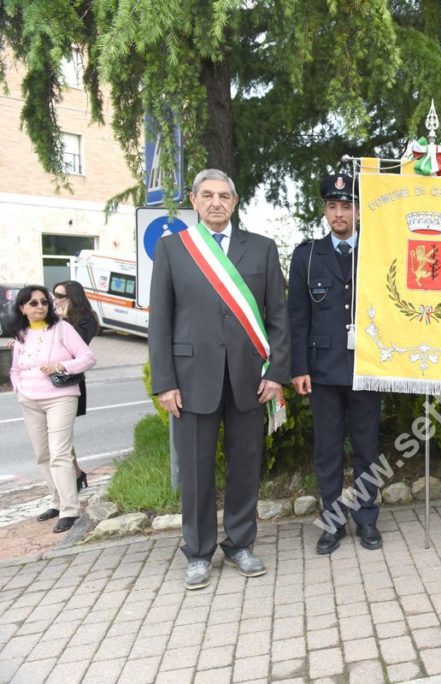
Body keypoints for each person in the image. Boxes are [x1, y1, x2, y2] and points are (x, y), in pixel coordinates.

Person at [149, 169, 291, 590]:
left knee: (246, 467)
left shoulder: (262, 249)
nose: (216, 202)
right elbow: (160, 321)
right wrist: (165, 382)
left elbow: (279, 318)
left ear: (235, 201)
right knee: (195, 471)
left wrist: (278, 373)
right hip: (192, 381)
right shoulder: (173, 249)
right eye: (207, 195)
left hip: (250, 379)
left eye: (224, 195)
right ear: (193, 201)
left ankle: (241, 545)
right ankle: (197, 552)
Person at [288, 173, 383, 553]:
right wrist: (298, 368)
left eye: (347, 206)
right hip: (323, 369)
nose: (339, 213)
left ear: (358, 211)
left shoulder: (377, 250)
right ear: (325, 210)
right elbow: (297, 316)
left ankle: (366, 519)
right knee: (327, 450)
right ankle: (332, 523)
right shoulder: (307, 255)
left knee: (366, 448)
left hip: (367, 367)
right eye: (333, 206)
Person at [9, 286, 96, 533]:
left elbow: (88, 357)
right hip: (29, 399)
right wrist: (19, 388)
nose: (40, 307)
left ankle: (70, 509)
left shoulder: (62, 329)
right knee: (43, 454)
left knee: (60, 453)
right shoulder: (20, 335)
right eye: (33, 303)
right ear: (22, 308)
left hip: (60, 397)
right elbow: (15, 369)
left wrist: (61, 365)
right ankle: (57, 502)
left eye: (44, 302)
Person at [53, 280, 99, 491]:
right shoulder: (53, 318)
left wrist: (65, 321)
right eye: (54, 295)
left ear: (72, 297)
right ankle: (76, 474)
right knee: (57, 436)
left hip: (70, 381)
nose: (55, 299)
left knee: (62, 434)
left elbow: (78, 347)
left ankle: (74, 476)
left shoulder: (86, 319)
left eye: (59, 295)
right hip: (48, 382)